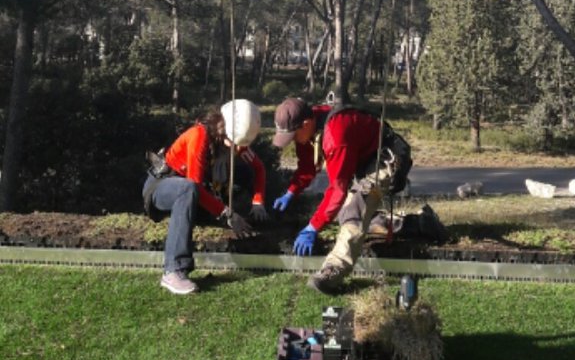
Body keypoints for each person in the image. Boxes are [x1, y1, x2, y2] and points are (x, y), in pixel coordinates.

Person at [271, 96, 413, 295]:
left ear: (306, 124)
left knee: (353, 208)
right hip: (360, 156)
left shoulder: (335, 136)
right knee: (346, 212)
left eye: (293, 136)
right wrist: (290, 192)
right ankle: (411, 223)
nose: (292, 141)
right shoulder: (307, 127)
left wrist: (313, 226)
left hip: (382, 157)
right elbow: (307, 167)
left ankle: (334, 271)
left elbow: (337, 190)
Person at [142, 99, 260, 295]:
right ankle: (173, 270)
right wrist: (227, 213)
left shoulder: (219, 139)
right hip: (161, 189)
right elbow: (194, 186)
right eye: (233, 141)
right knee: (188, 188)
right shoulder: (199, 135)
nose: (235, 148)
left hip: (185, 195)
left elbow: (257, 168)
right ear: (224, 127)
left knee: (200, 194)